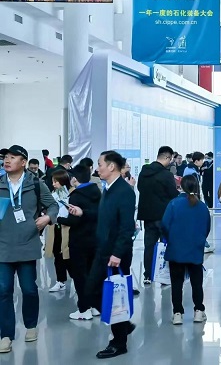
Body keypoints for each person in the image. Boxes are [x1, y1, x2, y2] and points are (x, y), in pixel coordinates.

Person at [0, 145, 58, 354]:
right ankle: (6, 335)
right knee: (3, 291)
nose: (7, 160)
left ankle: (31, 325)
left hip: (27, 245)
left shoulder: (35, 184)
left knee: (29, 289)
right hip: (3, 246)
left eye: (12, 157)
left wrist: (47, 217)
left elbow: (53, 205)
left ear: (23, 162)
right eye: (6, 157)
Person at [83, 151, 136, 359]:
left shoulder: (124, 191)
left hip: (115, 255)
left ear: (111, 166)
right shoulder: (108, 188)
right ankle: (123, 325)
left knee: (114, 298)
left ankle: (119, 342)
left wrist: (117, 253)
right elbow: (105, 216)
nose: (97, 169)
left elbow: (126, 227)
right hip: (103, 251)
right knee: (91, 292)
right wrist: (83, 213)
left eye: (100, 164)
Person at [161, 175, 210, 325]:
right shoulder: (202, 207)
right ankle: (199, 311)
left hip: (176, 249)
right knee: (197, 282)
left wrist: (170, 239)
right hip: (195, 249)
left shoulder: (174, 204)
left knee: (176, 283)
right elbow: (206, 228)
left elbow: (164, 224)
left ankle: (177, 313)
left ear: (181, 186)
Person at [58, 165, 101, 320]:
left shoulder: (75, 196)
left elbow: (74, 221)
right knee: (92, 274)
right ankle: (95, 306)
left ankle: (84, 309)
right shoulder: (97, 192)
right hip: (95, 239)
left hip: (79, 240)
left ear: (74, 179)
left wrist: (58, 218)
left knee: (80, 275)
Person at [137, 147, 179, 285]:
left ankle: (147, 275)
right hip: (163, 215)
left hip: (148, 215)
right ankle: (163, 276)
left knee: (149, 246)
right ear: (167, 158)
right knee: (164, 245)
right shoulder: (166, 175)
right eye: (170, 159)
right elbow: (172, 194)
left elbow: (140, 188)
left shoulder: (144, 171)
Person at [46, 169, 73, 293]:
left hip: (68, 228)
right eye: (52, 181)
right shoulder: (54, 194)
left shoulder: (72, 193)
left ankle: (77, 279)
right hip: (56, 228)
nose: (54, 184)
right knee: (57, 254)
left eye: (56, 181)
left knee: (68, 256)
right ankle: (60, 281)